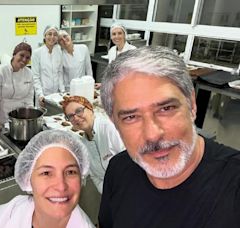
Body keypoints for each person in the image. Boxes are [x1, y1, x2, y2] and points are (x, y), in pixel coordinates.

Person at [98, 46, 240, 228]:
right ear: (115, 123)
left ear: (192, 105)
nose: (152, 134)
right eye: (131, 117)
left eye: (166, 109)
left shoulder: (234, 186)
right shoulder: (118, 170)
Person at [0, 130, 95, 228]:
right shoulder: (9, 213)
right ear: (28, 179)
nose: (61, 186)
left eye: (70, 172)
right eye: (46, 173)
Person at [61, 96, 125, 193]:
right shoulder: (84, 143)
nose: (76, 118)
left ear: (90, 108)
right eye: (70, 116)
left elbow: (131, 164)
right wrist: (108, 195)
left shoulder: (109, 128)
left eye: (79, 111)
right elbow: (95, 176)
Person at [0, 42, 34, 133]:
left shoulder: (29, 73)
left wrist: (30, 119)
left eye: (27, 57)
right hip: (2, 118)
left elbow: (29, 98)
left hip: (21, 118)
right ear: (14, 54)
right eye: (21, 55)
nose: (24, 59)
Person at [32, 25, 64, 106]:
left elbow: (60, 72)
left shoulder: (59, 51)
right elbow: (35, 76)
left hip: (56, 95)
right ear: (45, 36)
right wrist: (40, 95)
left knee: (56, 116)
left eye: (55, 34)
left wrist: (62, 92)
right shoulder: (37, 53)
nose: (52, 37)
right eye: (49, 34)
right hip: (43, 96)